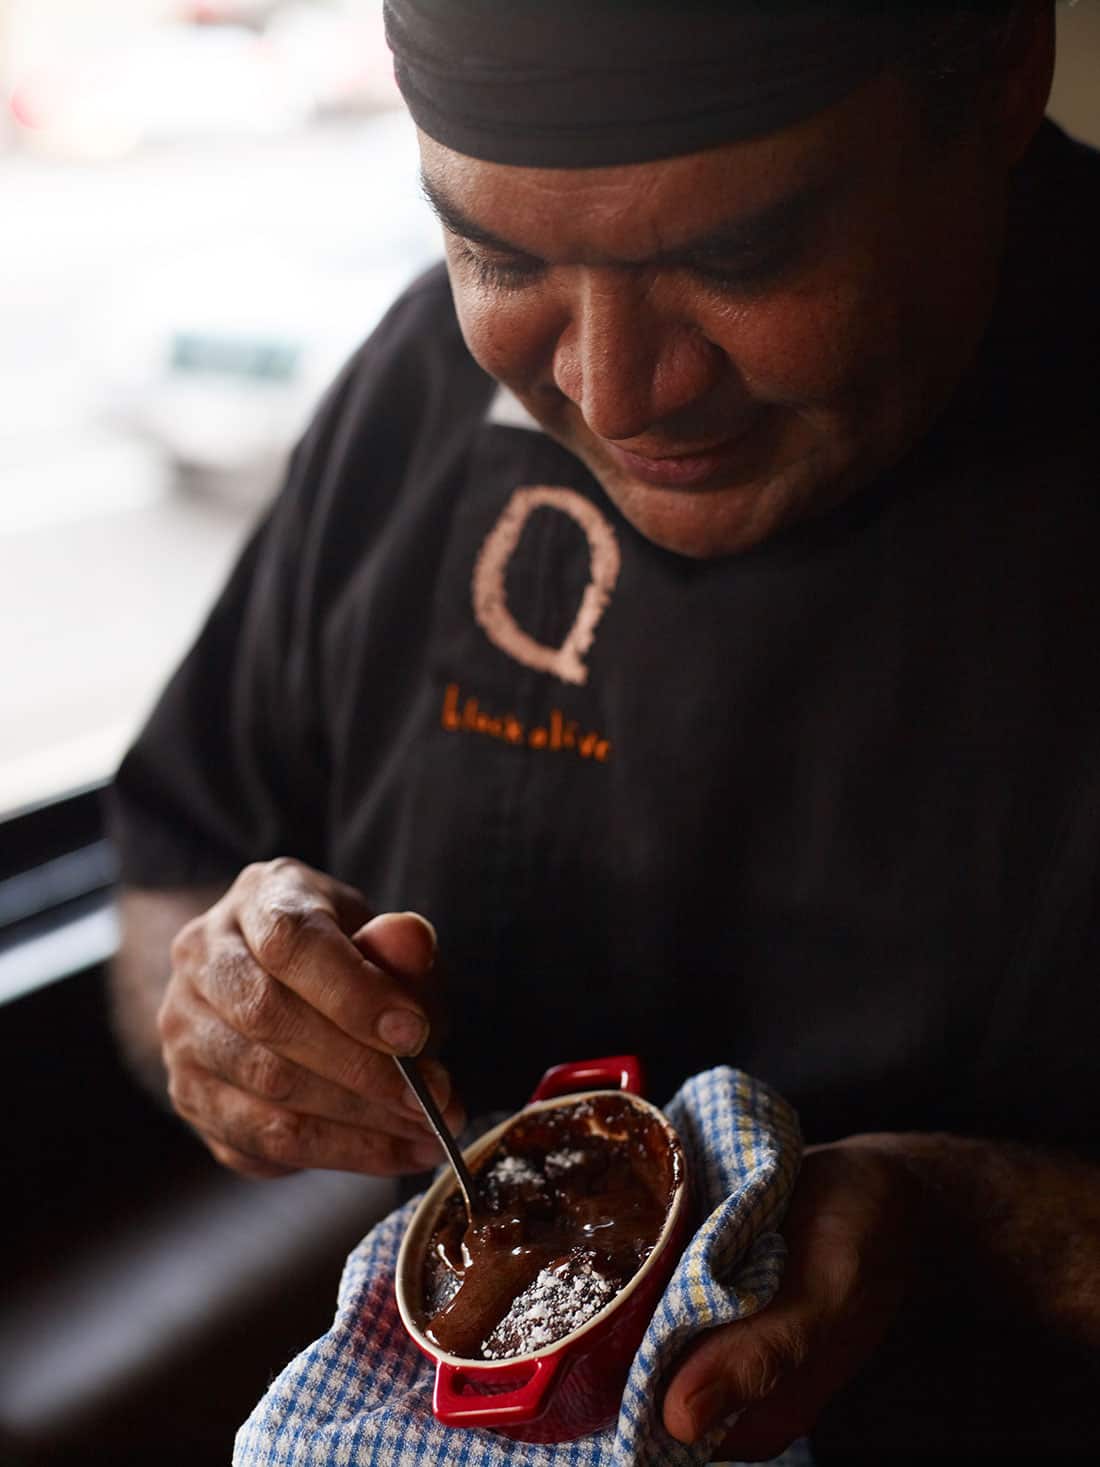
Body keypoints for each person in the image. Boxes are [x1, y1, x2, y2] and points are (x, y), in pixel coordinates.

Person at [109, 0, 1100, 1457]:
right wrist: (233, 1020)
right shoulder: (423, 386)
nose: (612, 393)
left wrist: (976, 1224)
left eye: (737, 257)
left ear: (1003, 72)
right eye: (502, 257)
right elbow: (178, 868)